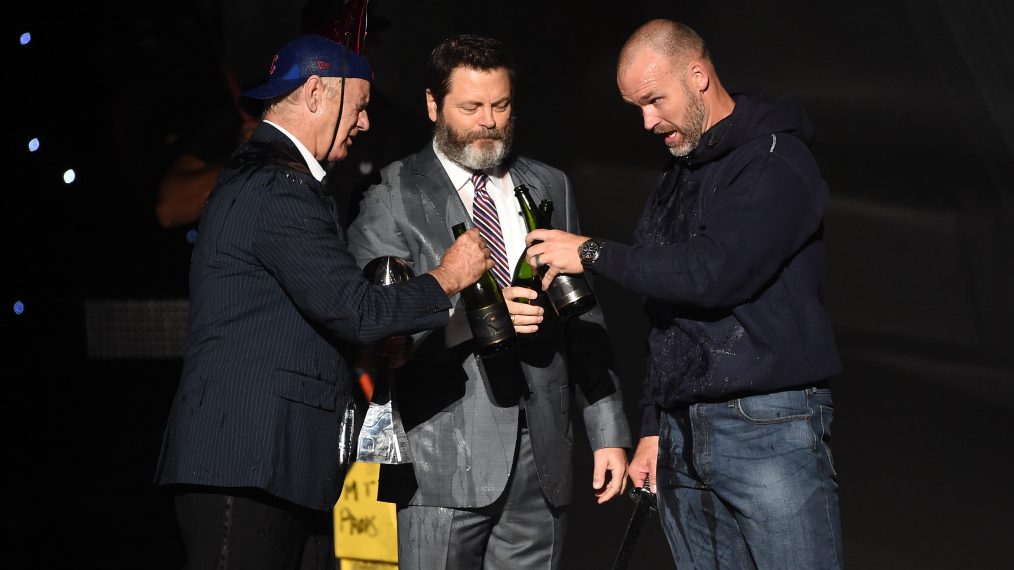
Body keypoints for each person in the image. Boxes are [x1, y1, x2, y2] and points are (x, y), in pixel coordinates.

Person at [154, 34, 493, 570]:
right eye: (358, 108)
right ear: (316, 93)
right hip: (246, 464)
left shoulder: (271, 179)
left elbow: (295, 316)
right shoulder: (276, 186)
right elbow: (356, 310)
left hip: (279, 468)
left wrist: (366, 356)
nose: (365, 124)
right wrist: (448, 277)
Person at [525, 19, 844, 570]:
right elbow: (668, 314)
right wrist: (652, 426)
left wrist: (593, 253)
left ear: (697, 75)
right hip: (682, 435)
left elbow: (715, 274)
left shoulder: (774, 160)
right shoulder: (678, 174)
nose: (648, 122)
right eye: (637, 108)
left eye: (655, 100)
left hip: (767, 429)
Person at [346, 34, 631, 569]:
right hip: (441, 453)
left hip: (541, 450)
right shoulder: (392, 193)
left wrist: (608, 429)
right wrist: (478, 319)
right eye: (471, 107)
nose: (488, 122)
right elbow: (373, 324)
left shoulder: (548, 183)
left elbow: (584, 314)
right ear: (434, 105)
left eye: (500, 106)